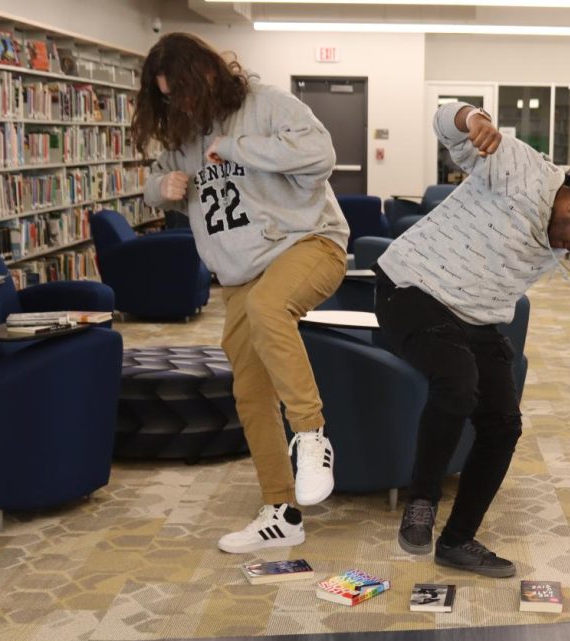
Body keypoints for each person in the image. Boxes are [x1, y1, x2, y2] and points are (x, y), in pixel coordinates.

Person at [374, 102, 570, 578]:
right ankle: (421, 502)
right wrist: (472, 119)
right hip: (411, 288)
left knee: (503, 423)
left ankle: (457, 541)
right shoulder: (522, 170)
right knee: (457, 380)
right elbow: (443, 119)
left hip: (474, 316)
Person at [135, 33, 350, 554]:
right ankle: (282, 511)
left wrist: (236, 148)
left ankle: (313, 436)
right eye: (163, 98)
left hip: (309, 243)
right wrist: (156, 190)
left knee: (269, 306)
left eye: (179, 92)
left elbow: (320, 152)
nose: (174, 105)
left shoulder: (267, 103)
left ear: (206, 76)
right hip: (238, 273)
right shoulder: (184, 134)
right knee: (249, 392)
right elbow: (158, 176)